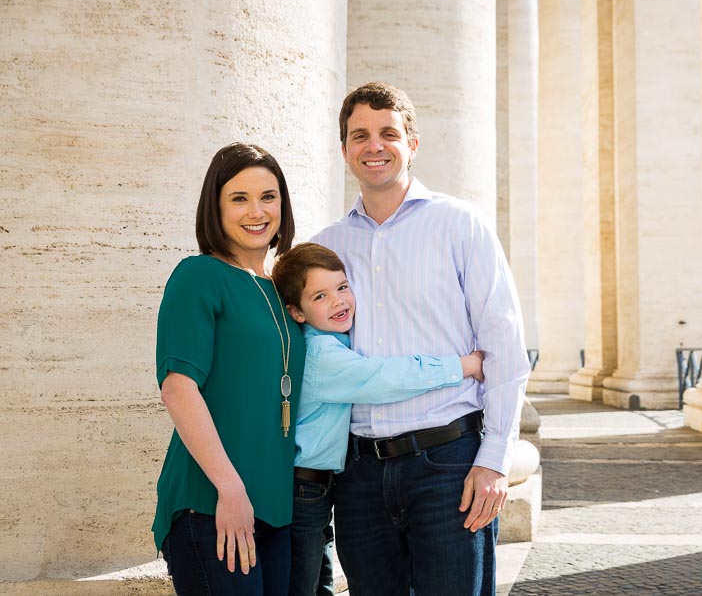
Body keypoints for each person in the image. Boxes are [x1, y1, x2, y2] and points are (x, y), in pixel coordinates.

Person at [312, 81, 531, 595]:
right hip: (359, 474)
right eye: (359, 135)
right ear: (344, 149)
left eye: (388, 133)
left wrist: (494, 460)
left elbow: (504, 347)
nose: (374, 145)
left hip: (448, 464)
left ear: (412, 143)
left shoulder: (461, 225)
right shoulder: (326, 248)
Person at [270, 242, 486, 595]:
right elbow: (388, 378)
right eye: (320, 297)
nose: (339, 301)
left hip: (319, 488)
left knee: (318, 582)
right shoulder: (323, 354)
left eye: (342, 287)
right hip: (305, 490)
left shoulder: (333, 341)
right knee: (307, 586)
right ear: (296, 311)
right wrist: (462, 366)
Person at [152, 142, 304, 595]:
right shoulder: (198, 276)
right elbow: (178, 388)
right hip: (213, 503)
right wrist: (230, 489)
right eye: (239, 198)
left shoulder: (281, 291)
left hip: (276, 509)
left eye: (268, 197)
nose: (256, 211)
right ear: (214, 209)